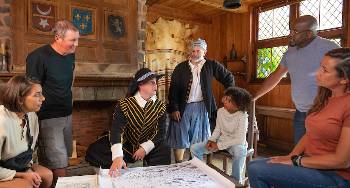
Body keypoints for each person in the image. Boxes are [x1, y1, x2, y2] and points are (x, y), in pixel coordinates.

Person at [247, 48, 350, 188]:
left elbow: (342, 161)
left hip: (336, 176)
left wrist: (297, 161)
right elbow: (311, 134)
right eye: (320, 66)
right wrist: (290, 156)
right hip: (311, 166)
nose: (317, 72)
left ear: (344, 79)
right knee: (256, 164)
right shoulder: (325, 96)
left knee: (257, 170)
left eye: (324, 70)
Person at [253, 15, 340, 144]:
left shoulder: (329, 48)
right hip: (300, 112)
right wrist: (254, 96)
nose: (291, 35)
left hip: (324, 112)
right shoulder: (291, 52)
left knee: (319, 154)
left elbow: (343, 76)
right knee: (298, 153)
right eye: (291, 30)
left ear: (309, 34)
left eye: (295, 32)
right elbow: (276, 75)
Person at [26, 20, 79, 180]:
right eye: (72, 40)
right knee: (58, 162)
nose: (76, 44)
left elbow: (71, 79)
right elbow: (32, 90)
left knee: (65, 156)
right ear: (58, 38)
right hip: (48, 116)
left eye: (77, 40)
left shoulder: (70, 56)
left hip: (67, 114)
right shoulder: (38, 57)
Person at [166, 38, 234, 163]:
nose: (195, 53)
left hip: (202, 108)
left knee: (198, 138)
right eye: (193, 50)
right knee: (180, 136)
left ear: (205, 52)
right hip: (183, 107)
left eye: (198, 50)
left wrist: (228, 96)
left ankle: (195, 164)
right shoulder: (180, 68)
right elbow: (173, 90)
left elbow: (228, 78)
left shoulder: (211, 65)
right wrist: (174, 108)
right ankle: (179, 165)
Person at [109, 68, 171, 176]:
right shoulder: (124, 105)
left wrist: (145, 148)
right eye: (152, 83)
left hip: (150, 145)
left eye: (156, 84)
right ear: (141, 85)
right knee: (100, 152)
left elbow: (161, 132)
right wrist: (118, 156)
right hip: (127, 146)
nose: (155, 87)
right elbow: (117, 130)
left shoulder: (160, 106)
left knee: (164, 149)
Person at [191, 87, 252, 185]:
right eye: (225, 97)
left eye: (228, 99)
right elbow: (218, 129)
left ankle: (235, 181)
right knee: (194, 148)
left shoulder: (243, 116)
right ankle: (202, 174)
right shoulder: (220, 111)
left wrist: (218, 146)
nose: (223, 100)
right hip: (221, 140)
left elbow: (239, 139)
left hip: (236, 144)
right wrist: (211, 140)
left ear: (237, 105)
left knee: (239, 151)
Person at [0, 75, 52, 188]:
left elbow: (31, 153)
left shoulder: (31, 116)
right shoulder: (2, 121)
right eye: (37, 95)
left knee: (47, 175)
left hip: (20, 167)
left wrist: (28, 169)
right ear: (19, 99)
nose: (43, 98)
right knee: (25, 185)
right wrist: (21, 175)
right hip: (3, 172)